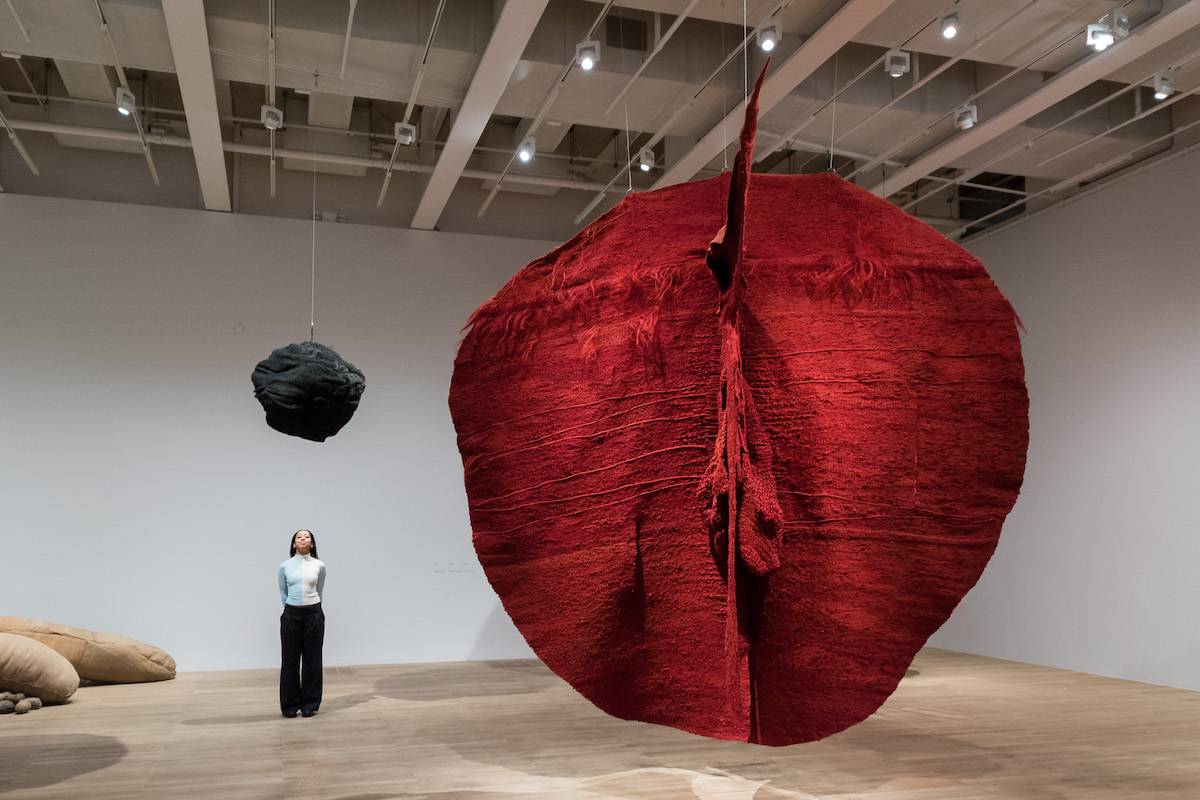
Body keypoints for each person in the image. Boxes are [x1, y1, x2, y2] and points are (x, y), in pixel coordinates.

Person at [278, 529, 326, 718]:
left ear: (312, 544)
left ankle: (310, 704)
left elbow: (319, 590)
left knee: (312, 660)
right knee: (289, 661)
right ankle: (290, 705)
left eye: (307, 536)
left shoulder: (319, 565)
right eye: (299, 537)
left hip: (313, 614)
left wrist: (313, 609)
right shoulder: (285, 566)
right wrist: (292, 609)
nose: (303, 538)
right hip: (291, 614)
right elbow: (283, 592)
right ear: (293, 544)